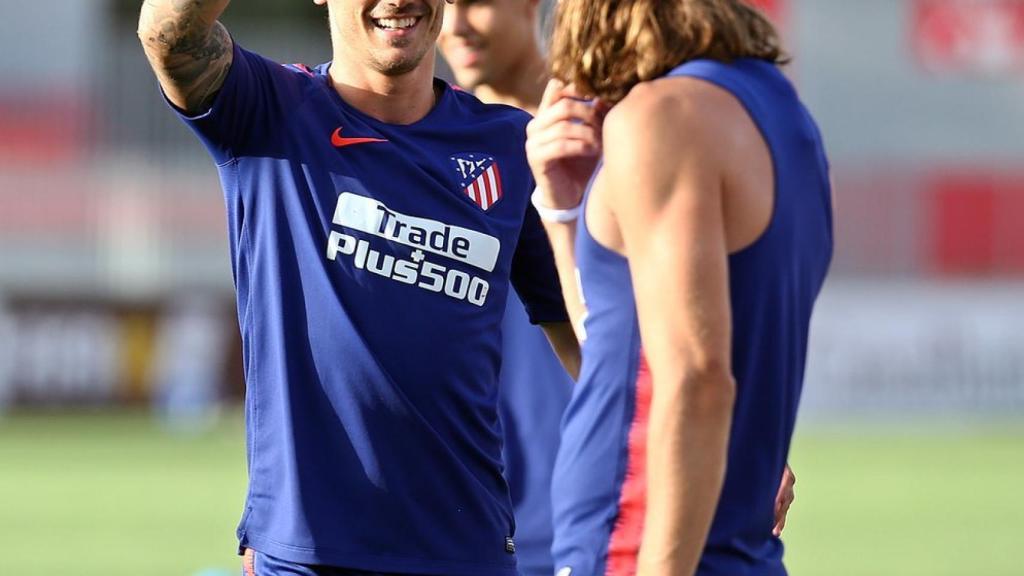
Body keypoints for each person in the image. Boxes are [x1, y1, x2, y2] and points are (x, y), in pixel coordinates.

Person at [137, 1, 580, 575]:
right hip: (306, 556)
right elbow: (167, 33)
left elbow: (586, 341)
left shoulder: (507, 145)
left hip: (468, 552)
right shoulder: (270, 109)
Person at [526, 0, 832, 574]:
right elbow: (618, 352)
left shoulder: (662, 116)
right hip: (731, 550)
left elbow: (697, 379)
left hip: (638, 549)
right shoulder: (779, 111)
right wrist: (565, 213)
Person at [437, 3, 570, 575]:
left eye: (476, 1)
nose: (455, 24)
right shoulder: (415, 152)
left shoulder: (613, 142)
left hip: (590, 523)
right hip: (459, 535)